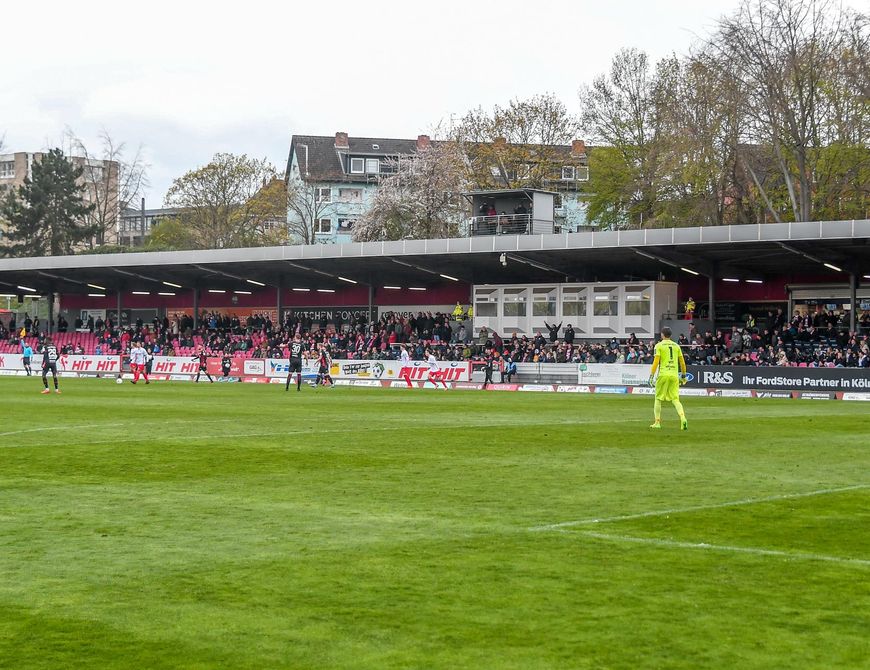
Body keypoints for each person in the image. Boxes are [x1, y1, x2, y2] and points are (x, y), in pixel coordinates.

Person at [648, 326, 688, 430]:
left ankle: (657, 422)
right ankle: (683, 418)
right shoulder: (676, 346)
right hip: (674, 375)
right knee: (675, 399)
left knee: (658, 398)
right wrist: (683, 376)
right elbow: (682, 363)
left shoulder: (659, 346)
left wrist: (651, 376)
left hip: (663, 374)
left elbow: (656, 362)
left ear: (662, 335)